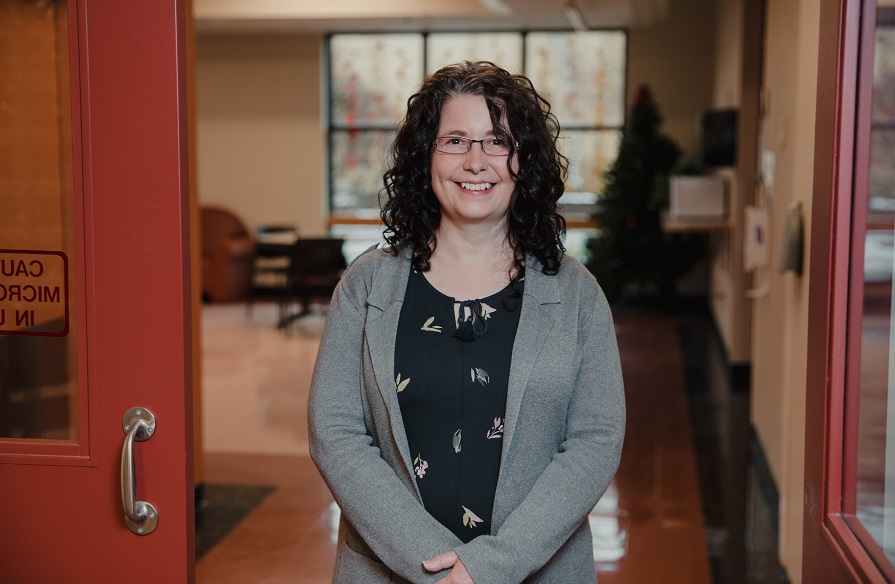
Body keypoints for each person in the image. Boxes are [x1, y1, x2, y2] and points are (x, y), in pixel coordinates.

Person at [308, 61, 625, 584]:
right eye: (454, 140)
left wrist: (488, 569)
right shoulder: (366, 287)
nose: (476, 161)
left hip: (536, 571)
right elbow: (335, 434)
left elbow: (595, 440)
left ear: (524, 160)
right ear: (425, 157)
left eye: (497, 141)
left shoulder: (575, 293)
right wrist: (436, 567)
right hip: (390, 570)